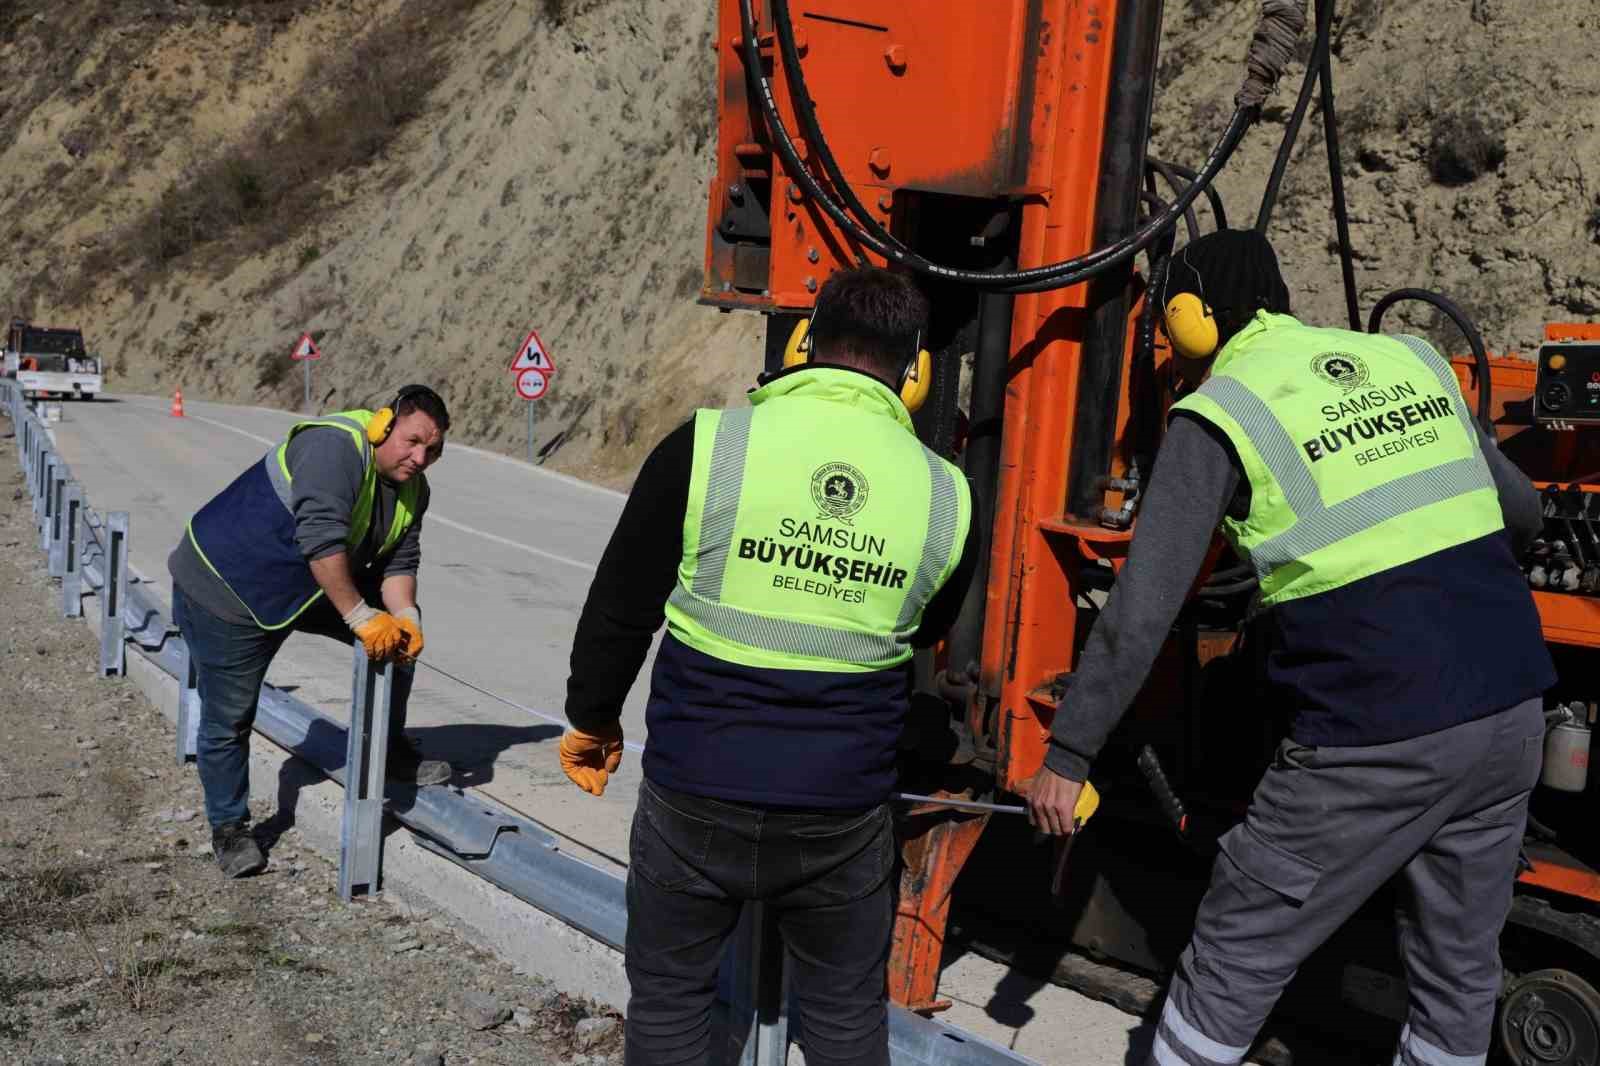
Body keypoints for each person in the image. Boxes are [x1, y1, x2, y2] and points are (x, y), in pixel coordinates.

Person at [1026, 228, 1554, 1066]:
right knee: (1457, 973)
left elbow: (1141, 609)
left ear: (1195, 321)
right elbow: (1520, 512)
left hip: (1375, 726)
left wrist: (1069, 751)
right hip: (1513, 708)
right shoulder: (1411, 360)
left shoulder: (1223, 408)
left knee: (1242, 938)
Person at [561, 266, 978, 1066]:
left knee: (673, 998)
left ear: (802, 344)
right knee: (847, 1020)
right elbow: (926, 626)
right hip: (842, 812)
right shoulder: (948, 496)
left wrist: (591, 717)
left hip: (695, 790)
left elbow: (620, 606)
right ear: (916, 370)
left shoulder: (710, 445)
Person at [169, 384, 455, 879]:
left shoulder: (414, 490)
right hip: (229, 584)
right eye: (411, 441)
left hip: (309, 581)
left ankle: (387, 749)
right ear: (383, 424)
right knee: (230, 716)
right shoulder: (333, 448)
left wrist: (405, 616)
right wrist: (361, 618)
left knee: (396, 644)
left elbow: (399, 562)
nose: (419, 457)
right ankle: (230, 828)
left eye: (432, 450)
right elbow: (321, 540)